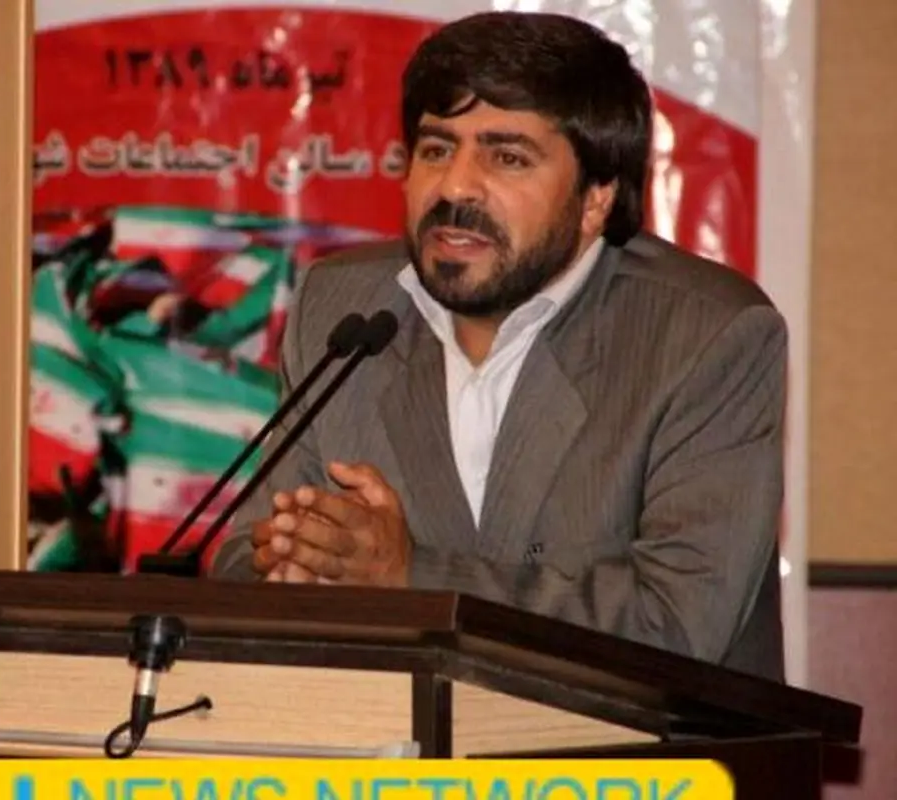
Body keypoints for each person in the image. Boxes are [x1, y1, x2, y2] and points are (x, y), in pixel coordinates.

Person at [209, 10, 787, 682]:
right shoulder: (344, 308)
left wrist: (410, 576)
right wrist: (290, 564)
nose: (455, 186)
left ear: (596, 198)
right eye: (436, 149)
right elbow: (244, 553)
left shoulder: (707, 335)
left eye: (506, 157)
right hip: (389, 737)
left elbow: (677, 625)